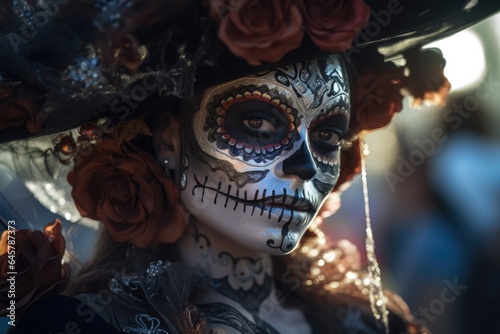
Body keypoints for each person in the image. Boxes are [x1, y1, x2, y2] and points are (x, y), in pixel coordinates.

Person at [0, 1, 499, 333]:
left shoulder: (367, 322)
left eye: (327, 136)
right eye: (258, 122)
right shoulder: (84, 325)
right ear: (171, 138)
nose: (305, 165)